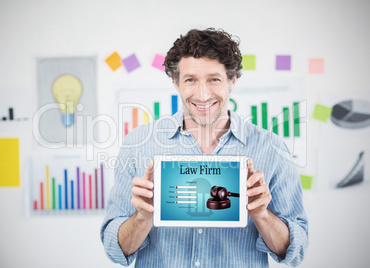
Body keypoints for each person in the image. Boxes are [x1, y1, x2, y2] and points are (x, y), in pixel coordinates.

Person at [101, 28, 308, 267]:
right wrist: (142, 218)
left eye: (214, 79)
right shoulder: (138, 144)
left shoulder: (272, 148)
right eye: (190, 80)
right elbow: (114, 248)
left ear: (232, 80)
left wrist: (262, 215)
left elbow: (296, 250)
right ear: (175, 82)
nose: (202, 94)